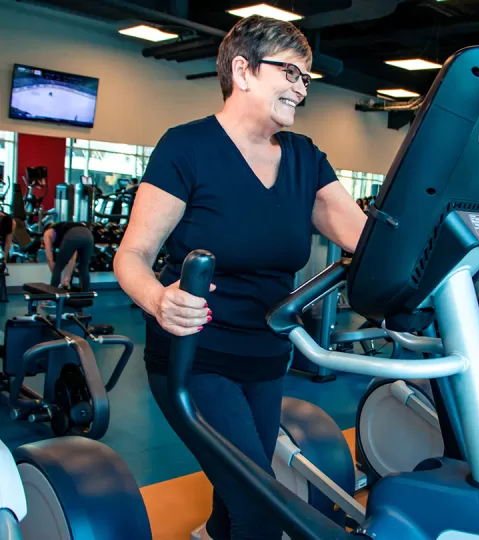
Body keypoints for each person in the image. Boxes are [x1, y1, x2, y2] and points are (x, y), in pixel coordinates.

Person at [113, 15, 367, 540]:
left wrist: (462, 254)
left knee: (239, 494)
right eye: (292, 74)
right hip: (196, 354)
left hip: (267, 355)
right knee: (258, 506)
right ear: (243, 71)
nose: (301, 89)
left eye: (306, 79)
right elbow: (131, 255)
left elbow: (369, 241)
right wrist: (160, 301)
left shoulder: (305, 158)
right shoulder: (188, 147)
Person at [43, 221, 94, 291]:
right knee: (84, 266)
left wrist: (56, 273)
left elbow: (49, 259)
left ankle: (52, 298)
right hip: (88, 235)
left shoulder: (47, 233)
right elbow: (73, 258)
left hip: (73, 235)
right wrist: (67, 278)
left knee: (58, 266)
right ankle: (86, 295)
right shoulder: (65, 228)